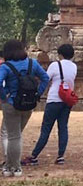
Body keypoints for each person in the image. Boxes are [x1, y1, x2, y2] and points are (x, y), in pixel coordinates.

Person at [0, 40, 50, 178]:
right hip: (28, 104)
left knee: (13, 136)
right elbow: (45, 78)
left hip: (11, 103)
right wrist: (37, 94)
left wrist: (4, 96)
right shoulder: (32, 63)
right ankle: (11, 166)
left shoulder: (6, 67)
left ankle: (13, 167)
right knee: (17, 135)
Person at [22, 44, 77, 166]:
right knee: (63, 128)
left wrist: (38, 93)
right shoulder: (74, 67)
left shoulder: (55, 65)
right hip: (67, 101)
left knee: (46, 128)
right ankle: (61, 156)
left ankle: (34, 155)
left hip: (54, 99)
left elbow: (46, 79)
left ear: (60, 54)